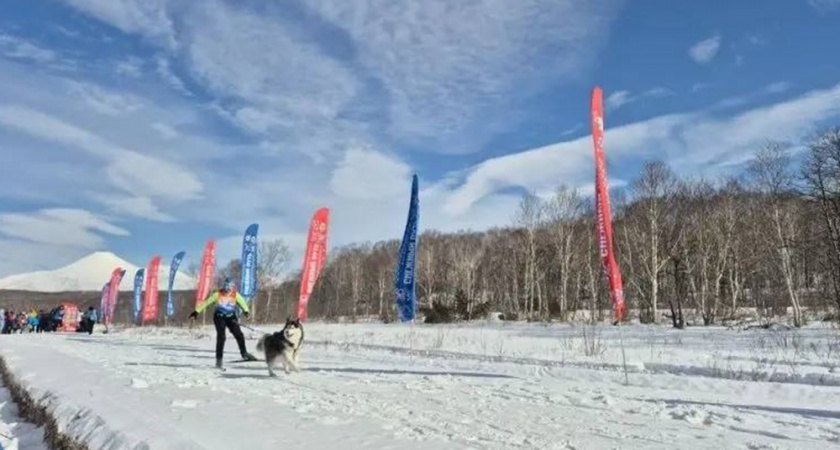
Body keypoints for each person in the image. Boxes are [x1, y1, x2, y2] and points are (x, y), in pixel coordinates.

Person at [188, 278, 257, 369]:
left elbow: (242, 303)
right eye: (226, 287)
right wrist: (196, 312)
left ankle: (244, 353)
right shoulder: (217, 294)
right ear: (224, 286)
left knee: (239, 335)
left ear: (232, 287)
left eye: (230, 288)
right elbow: (206, 303)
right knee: (221, 337)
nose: (228, 290)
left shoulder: (235, 295)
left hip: (231, 317)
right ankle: (219, 360)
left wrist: (246, 311)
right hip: (219, 318)